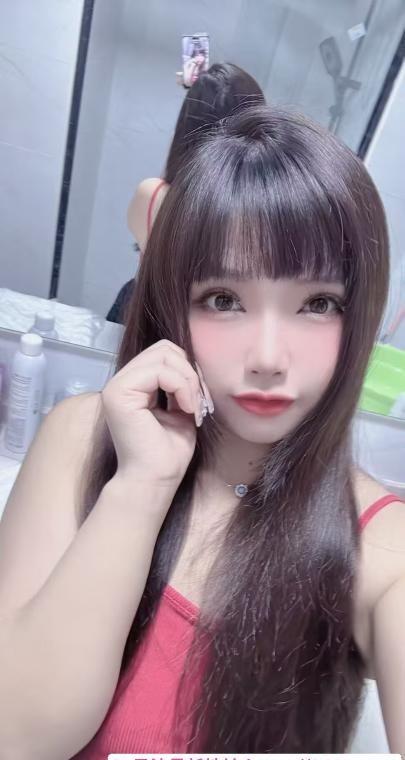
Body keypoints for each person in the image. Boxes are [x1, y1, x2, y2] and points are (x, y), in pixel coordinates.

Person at [0, 104, 404, 759]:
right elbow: (15, 738)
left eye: (317, 304)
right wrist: (141, 484)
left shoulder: (380, 546)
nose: (267, 356)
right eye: (223, 299)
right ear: (172, 305)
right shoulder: (80, 438)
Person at [106, 62, 265, 324]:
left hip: (141, 313)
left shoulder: (152, 196)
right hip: (202, 326)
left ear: (184, 131)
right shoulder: (261, 220)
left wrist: (195, 103)